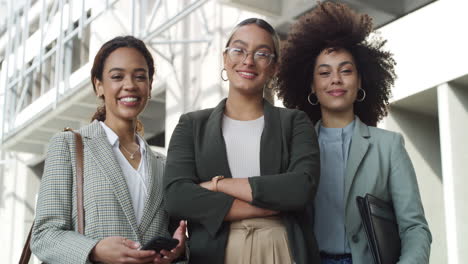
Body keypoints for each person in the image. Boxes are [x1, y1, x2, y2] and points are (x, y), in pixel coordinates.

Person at [276, 2, 432, 264]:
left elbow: (415, 228)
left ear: (360, 80)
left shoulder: (389, 146)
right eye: (324, 73)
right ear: (312, 86)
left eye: (345, 70)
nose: (335, 79)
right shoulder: (295, 148)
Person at [163, 18, 320, 264]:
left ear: (274, 67)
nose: (248, 60)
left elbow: (300, 188)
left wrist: (217, 185)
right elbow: (177, 197)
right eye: (239, 50)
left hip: (280, 249)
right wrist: (266, 206)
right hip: (215, 253)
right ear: (225, 58)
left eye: (262, 53)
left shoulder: (295, 122)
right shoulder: (192, 125)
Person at [31, 36, 186, 264]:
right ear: (99, 86)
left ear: (150, 86)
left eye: (140, 76)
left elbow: (170, 236)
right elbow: (44, 236)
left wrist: (177, 250)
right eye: (117, 76)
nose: (130, 85)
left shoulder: (163, 165)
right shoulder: (69, 146)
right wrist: (94, 249)